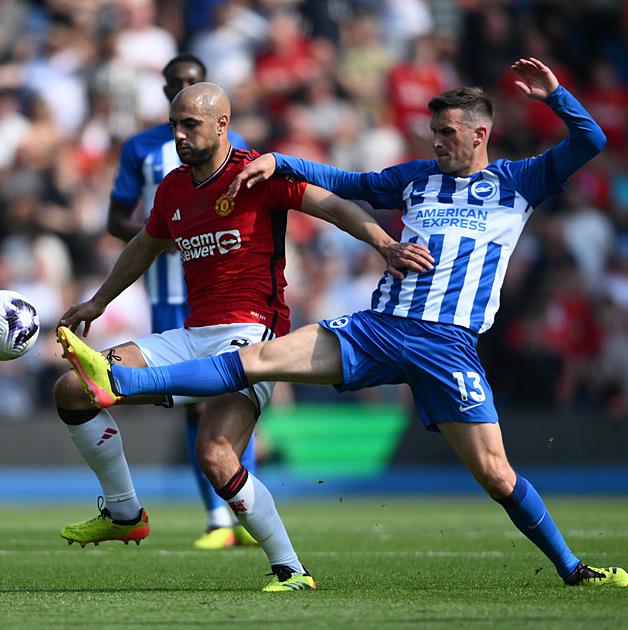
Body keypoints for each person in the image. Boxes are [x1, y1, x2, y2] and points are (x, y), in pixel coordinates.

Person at [58, 58, 628, 588]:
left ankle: (572, 568)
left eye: (448, 134)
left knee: (497, 476)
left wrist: (556, 96)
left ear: (480, 135)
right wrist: (282, 162)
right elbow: (347, 185)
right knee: (258, 359)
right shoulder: (416, 177)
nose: (436, 142)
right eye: (433, 132)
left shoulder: (518, 180)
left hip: (446, 345)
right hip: (378, 326)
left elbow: (591, 140)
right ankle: (125, 384)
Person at [53, 81, 430, 592]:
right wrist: (99, 301)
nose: (180, 135)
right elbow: (144, 245)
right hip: (193, 333)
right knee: (71, 389)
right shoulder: (173, 187)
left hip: (254, 336)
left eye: (191, 125)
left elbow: (335, 206)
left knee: (215, 455)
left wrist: (385, 243)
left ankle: (291, 570)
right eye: (174, 126)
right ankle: (124, 513)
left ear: (221, 124)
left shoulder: (257, 174)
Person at [106, 52, 256, 550]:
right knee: (197, 406)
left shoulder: (239, 153)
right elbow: (117, 222)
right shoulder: (144, 149)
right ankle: (220, 518)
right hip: (169, 292)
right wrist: (166, 232)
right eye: (176, 84)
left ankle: (238, 511)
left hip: (224, 291)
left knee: (227, 400)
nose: (184, 86)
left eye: (194, 83)